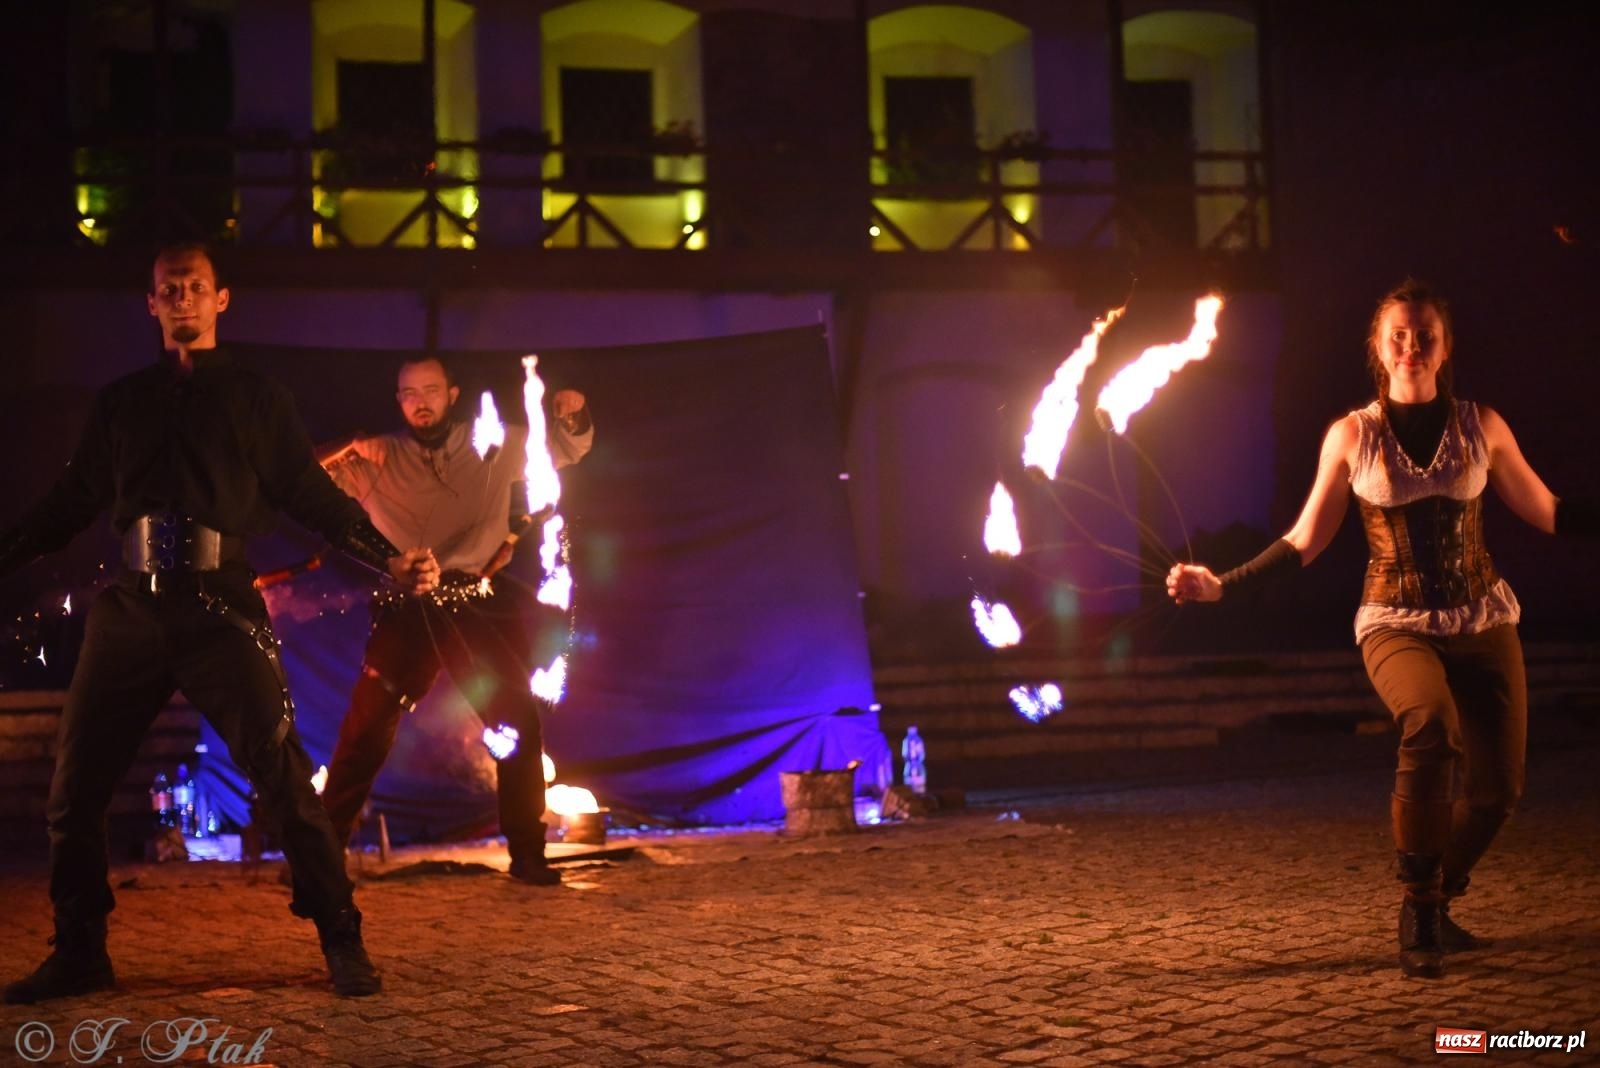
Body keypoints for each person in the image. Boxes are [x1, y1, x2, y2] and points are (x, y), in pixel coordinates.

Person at [0, 242, 440, 1004]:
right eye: (168, 288)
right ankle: (79, 952)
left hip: (219, 607)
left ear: (220, 300)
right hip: (132, 608)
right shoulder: (122, 402)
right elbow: (69, 505)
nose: (182, 299)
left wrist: (391, 558)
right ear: (152, 303)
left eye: (195, 287)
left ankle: (341, 938)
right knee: (75, 790)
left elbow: (312, 497)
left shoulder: (256, 398)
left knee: (284, 776)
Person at [1167, 279, 1594, 979]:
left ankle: (1438, 894)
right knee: (1429, 723)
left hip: (1483, 614)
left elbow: (1548, 511)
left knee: (1499, 792)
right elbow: (1304, 539)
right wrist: (1221, 586)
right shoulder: (1353, 436)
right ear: (1378, 346)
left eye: (1425, 333)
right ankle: (1420, 906)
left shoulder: (1481, 426)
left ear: (1445, 346)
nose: (1411, 346)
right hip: (1395, 619)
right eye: (1398, 333)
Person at [316, 354, 592, 885]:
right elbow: (300, 479)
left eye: (430, 391)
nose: (420, 403)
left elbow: (562, 450)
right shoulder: (375, 456)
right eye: (409, 394)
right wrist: (343, 447)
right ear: (398, 401)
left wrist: (570, 415)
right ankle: (323, 856)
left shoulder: (493, 443)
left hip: (474, 602)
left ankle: (528, 854)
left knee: (517, 721)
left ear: (452, 394)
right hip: (408, 606)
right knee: (365, 729)